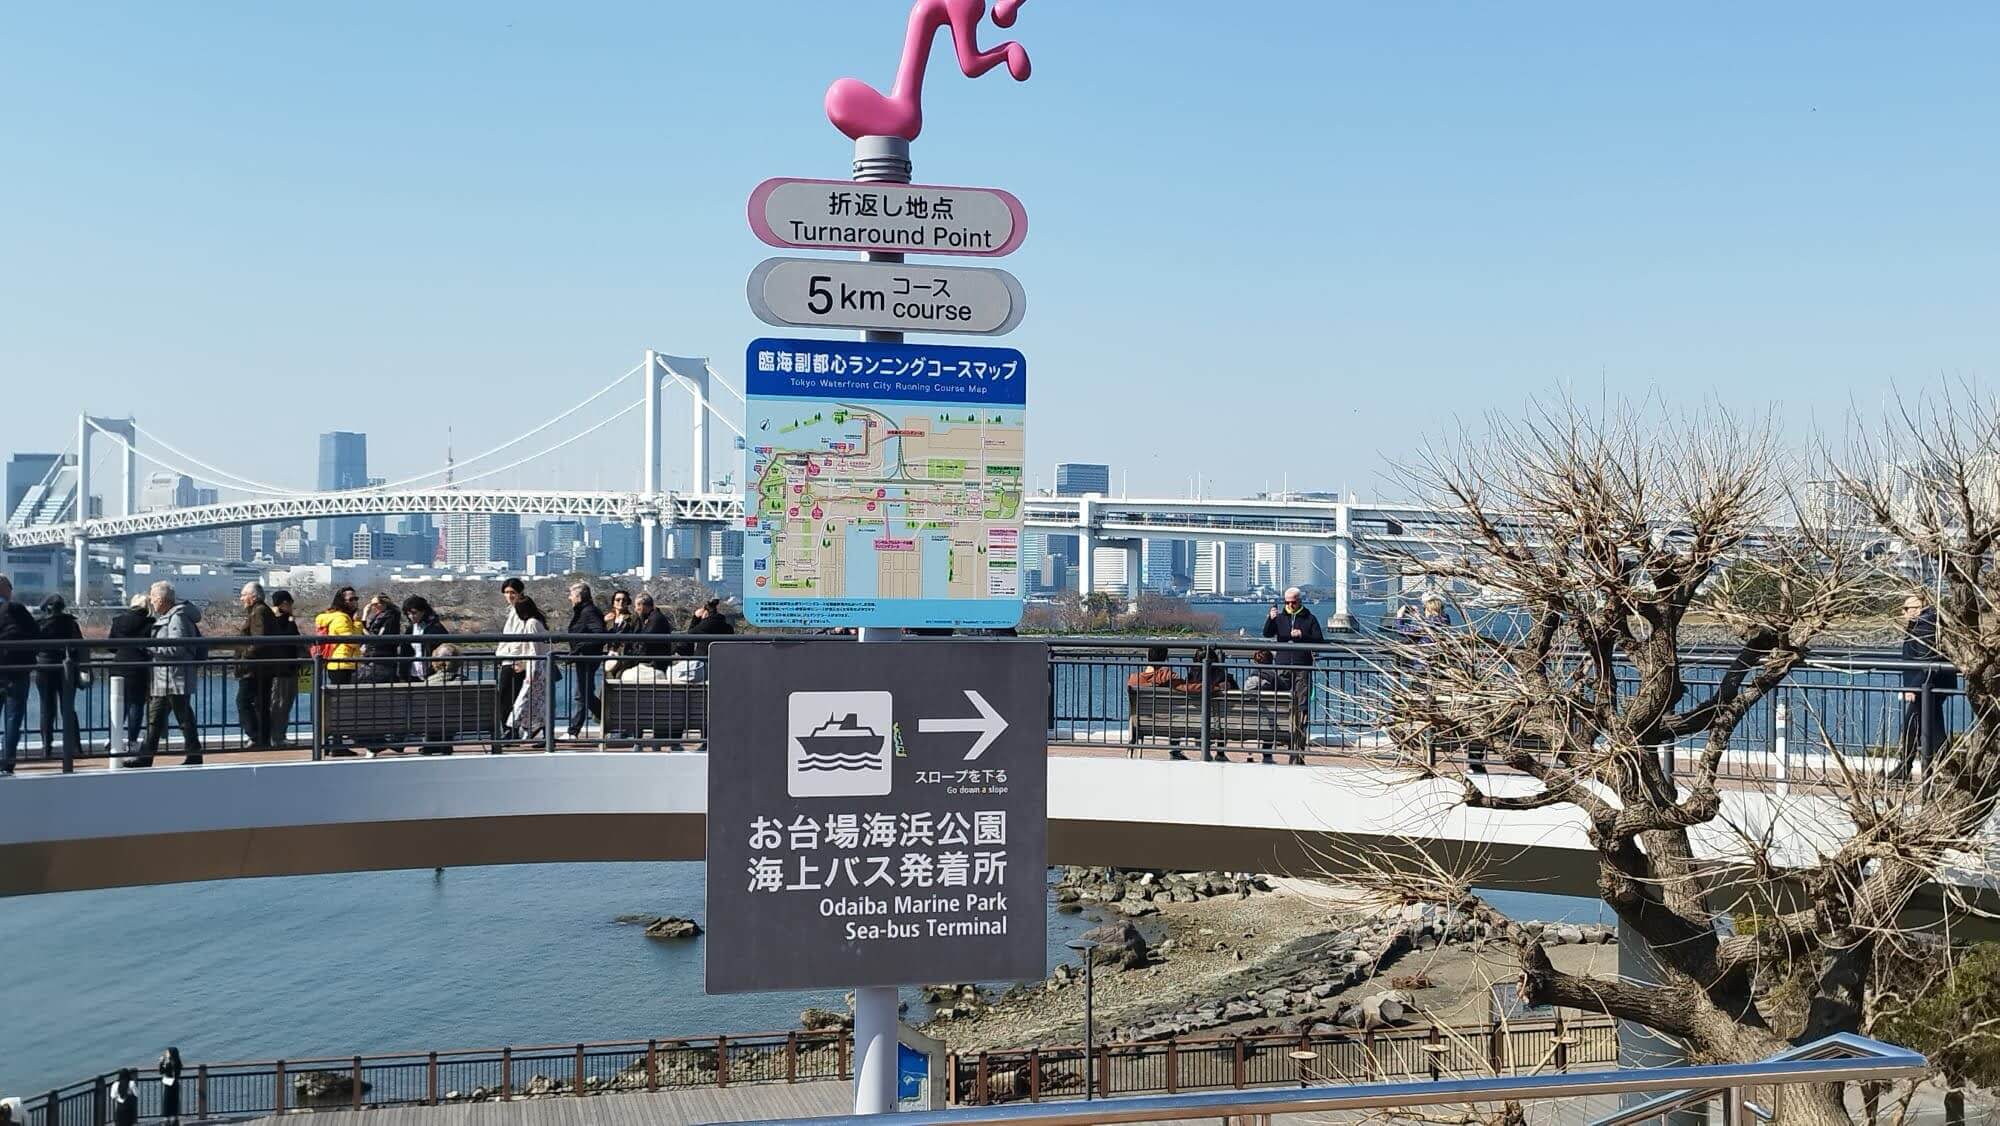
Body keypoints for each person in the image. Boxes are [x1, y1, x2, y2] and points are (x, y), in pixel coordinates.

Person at [125, 582, 204, 768]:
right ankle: (146, 756)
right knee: (156, 719)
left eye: (153, 597)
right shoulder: (172, 616)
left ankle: (193, 754)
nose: (151, 601)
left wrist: (151, 647)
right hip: (166, 677)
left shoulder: (177, 618)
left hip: (174, 677)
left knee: (182, 717)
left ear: (161, 599)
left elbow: (178, 647)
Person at [1891, 595, 1957, 782]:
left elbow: (1925, 662)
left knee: (1920, 726)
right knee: (1925, 727)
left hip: (1927, 687)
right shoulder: (1924, 623)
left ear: (1920, 608)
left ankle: (1947, 770)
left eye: (1909, 608)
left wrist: (1913, 688)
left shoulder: (1924, 626)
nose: (1905, 612)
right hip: (1929, 687)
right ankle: (1909, 767)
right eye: (1906, 608)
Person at [1262, 587, 1323, 766]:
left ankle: (1298, 752)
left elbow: (1319, 639)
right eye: (1287, 602)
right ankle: (1273, 748)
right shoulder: (1280, 617)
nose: (1290, 605)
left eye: (1293, 602)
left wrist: (1303, 635)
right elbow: (1267, 633)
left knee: (1301, 708)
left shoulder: (1309, 618)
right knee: (1279, 705)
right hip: (1282, 666)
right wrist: (1270, 618)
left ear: (1300, 601)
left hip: (1302, 666)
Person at [497, 582, 551, 741]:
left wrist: (524, 663)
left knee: (512, 699)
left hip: (517, 662)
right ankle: (519, 730)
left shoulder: (528, 621)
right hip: (515, 661)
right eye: (506, 592)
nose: (509, 596)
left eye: (512, 592)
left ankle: (512, 731)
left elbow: (528, 646)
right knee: (526, 700)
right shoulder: (516, 613)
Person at [33, 594, 82, 765]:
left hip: (44, 667)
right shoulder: (71, 623)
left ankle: (46, 747)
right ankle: (75, 746)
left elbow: (33, 646)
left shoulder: (40, 624)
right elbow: (79, 646)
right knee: (68, 708)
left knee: (46, 709)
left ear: (47, 608)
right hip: (67, 668)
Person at [235, 582, 279, 749]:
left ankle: (255, 736)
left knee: (243, 701)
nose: (241, 599)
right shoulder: (260, 611)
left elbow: (259, 639)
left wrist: (245, 656)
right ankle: (262, 739)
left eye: (243, 595)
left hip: (255, 668)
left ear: (253, 597)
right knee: (261, 704)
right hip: (262, 667)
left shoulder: (259, 611)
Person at [0, 575, 36, 775]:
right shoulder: (18, 610)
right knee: (13, 718)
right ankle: (7, 762)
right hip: (18, 671)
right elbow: (37, 633)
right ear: (6, 589)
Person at [564, 582, 606, 737]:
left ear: (579, 597)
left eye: (571, 595)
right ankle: (614, 722)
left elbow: (599, 633)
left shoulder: (589, 612)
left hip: (588, 658)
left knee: (583, 694)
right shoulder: (583, 611)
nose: (569, 598)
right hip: (583, 657)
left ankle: (574, 730)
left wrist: (579, 648)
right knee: (584, 694)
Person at [265, 590, 305, 747]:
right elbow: (290, 639)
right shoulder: (281, 620)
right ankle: (277, 737)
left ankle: (277, 735)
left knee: (281, 703)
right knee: (281, 704)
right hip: (283, 669)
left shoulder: (272, 619)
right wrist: (291, 620)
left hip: (284, 668)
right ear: (285, 603)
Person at [313, 587, 365, 685]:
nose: (355, 602)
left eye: (356, 598)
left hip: (340, 663)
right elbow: (353, 642)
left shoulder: (339, 616)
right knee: (343, 694)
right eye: (351, 599)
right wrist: (358, 622)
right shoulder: (341, 618)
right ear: (341, 601)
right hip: (342, 664)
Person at [630, 592, 676, 671]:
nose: (635, 609)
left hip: (654, 664)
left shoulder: (656, 619)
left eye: (637, 606)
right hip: (652, 662)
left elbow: (644, 639)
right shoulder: (651, 618)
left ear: (642, 605)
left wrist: (633, 656)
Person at [158, 1046, 184, 1124]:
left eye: (167, 1052)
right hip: (175, 1085)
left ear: (171, 1054)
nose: (166, 1053)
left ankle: (167, 1119)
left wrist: (161, 1062)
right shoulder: (178, 1063)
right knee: (174, 1102)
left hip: (169, 1085)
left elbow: (161, 1071)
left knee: (167, 1102)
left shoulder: (169, 1064)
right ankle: (175, 1119)